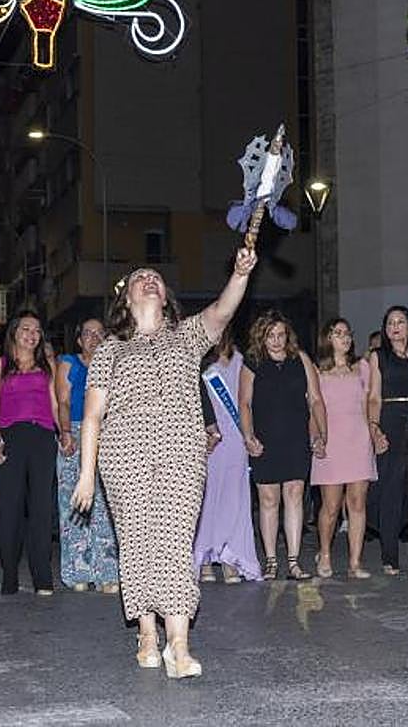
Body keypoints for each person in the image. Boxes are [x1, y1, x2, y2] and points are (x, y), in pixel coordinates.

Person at [71, 250, 257, 679]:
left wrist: (240, 274)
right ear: (126, 298)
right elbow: (94, 415)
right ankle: (147, 634)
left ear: (166, 294)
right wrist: (86, 475)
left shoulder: (187, 336)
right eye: (140, 277)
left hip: (181, 454)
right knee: (137, 544)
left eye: (156, 276)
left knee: (174, 543)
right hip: (124, 458)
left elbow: (222, 310)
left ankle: (179, 644)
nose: (150, 280)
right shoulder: (111, 350)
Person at [240, 310, 328, 582]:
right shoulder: (252, 361)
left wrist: (321, 434)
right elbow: (244, 402)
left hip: (295, 438)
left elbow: (315, 400)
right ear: (262, 337)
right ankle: (271, 561)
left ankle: (293, 562)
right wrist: (248, 436)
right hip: (266, 439)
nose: (277, 341)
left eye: (281, 335)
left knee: (294, 494)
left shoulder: (301, 359)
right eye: (271, 336)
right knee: (268, 499)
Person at [0, 310, 60, 596]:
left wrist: (64, 433)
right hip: (11, 438)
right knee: (10, 509)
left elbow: (55, 405)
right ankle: (9, 576)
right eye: (26, 329)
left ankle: (42, 576)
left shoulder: (47, 366)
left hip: (42, 437)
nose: (32, 335)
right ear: (14, 334)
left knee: (41, 508)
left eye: (37, 330)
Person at [54, 318, 118, 593]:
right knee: (74, 502)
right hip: (77, 431)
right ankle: (78, 569)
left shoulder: (115, 365)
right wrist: (66, 432)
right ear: (79, 339)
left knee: (107, 504)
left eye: (99, 333)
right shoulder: (69, 362)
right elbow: (63, 400)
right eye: (88, 333)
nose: (94, 337)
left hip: (108, 434)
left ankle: (108, 571)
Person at [193, 330, 261, 584]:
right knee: (208, 499)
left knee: (235, 499)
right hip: (211, 439)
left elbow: (248, 402)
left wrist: (250, 434)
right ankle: (206, 557)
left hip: (236, 439)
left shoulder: (242, 361)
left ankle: (230, 557)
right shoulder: (200, 364)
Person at [312, 318, 375, 579]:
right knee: (331, 505)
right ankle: (325, 553)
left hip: (358, 440)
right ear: (328, 338)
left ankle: (355, 562)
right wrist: (316, 439)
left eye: (347, 333)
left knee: (358, 503)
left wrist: (373, 432)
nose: (345, 338)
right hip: (331, 442)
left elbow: (369, 403)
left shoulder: (362, 367)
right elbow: (313, 410)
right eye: (338, 333)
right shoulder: (317, 372)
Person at [367, 306, 408, 575]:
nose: (395, 326)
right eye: (390, 322)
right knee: (390, 490)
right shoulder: (378, 357)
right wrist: (375, 429)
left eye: (401, 321)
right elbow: (374, 397)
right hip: (390, 420)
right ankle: (389, 556)